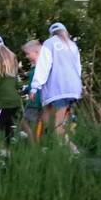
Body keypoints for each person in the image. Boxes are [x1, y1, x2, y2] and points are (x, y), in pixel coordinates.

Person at [29, 22, 83, 153]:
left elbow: (43, 66)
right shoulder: (72, 46)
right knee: (46, 119)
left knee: (56, 125)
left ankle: (72, 152)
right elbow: (78, 68)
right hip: (72, 88)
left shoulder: (49, 43)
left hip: (58, 88)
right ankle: (58, 150)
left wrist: (35, 86)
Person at [20, 40, 45, 141]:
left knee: (24, 124)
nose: (26, 56)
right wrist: (25, 90)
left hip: (35, 101)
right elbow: (32, 84)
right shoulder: (35, 68)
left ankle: (34, 145)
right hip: (35, 100)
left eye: (27, 53)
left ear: (36, 52)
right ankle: (36, 146)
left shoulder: (41, 68)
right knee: (36, 126)